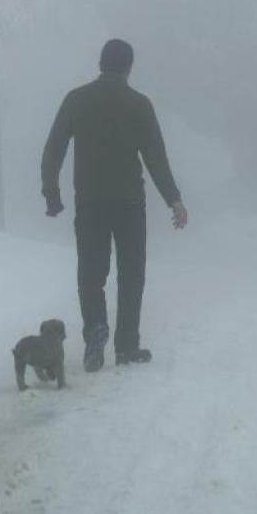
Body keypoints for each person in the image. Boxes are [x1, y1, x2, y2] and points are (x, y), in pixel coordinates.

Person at [41, 39, 188, 373]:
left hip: (90, 201)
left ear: (100, 64)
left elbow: (53, 150)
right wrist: (174, 199)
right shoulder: (139, 105)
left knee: (91, 274)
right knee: (131, 274)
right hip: (129, 204)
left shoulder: (76, 100)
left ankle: (95, 328)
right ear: (128, 67)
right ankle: (126, 345)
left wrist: (51, 193)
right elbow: (155, 158)